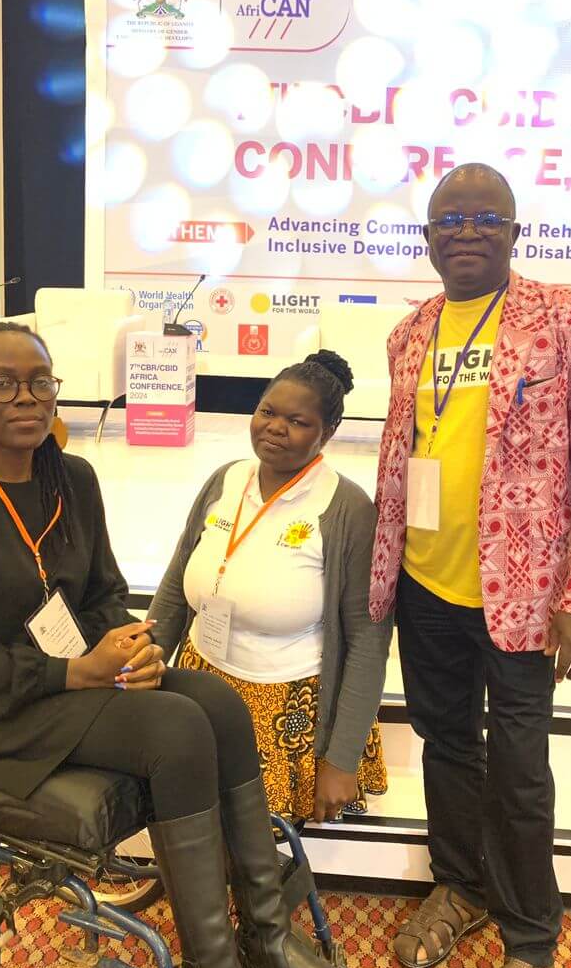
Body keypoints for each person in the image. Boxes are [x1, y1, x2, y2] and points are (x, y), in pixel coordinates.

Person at [0, 322, 381, 968]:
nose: (25, 397)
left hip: (66, 680)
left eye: (40, 381)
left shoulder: (72, 481)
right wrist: (74, 674)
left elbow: (103, 595)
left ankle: (267, 946)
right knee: (176, 731)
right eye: (2, 383)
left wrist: (129, 644)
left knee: (213, 702)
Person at [368, 164, 571, 968]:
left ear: (517, 229)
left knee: (518, 767)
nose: (467, 231)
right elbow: (407, 453)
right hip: (426, 583)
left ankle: (530, 941)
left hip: (522, 596)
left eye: (486, 217)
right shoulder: (410, 334)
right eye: (450, 219)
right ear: (430, 236)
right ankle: (460, 885)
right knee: (447, 743)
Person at [148, 350, 391, 827]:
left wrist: (340, 759)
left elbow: (367, 641)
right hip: (201, 679)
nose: (275, 428)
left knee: (261, 843)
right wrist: (151, 650)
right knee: (196, 822)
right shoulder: (227, 478)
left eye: (297, 421)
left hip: (286, 707)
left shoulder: (347, 509)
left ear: (328, 433)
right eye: (267, 412)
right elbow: (179, 578)